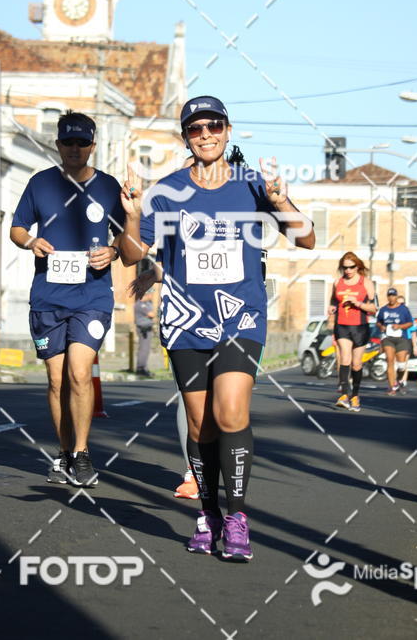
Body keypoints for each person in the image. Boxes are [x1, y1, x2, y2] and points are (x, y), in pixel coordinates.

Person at [119, 95, 315, 561]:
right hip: (185, 320)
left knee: (231, 415)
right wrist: (130, 214)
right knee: (201, 425)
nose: (205, 135)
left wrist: (280, 199)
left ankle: (238, 517)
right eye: (195, 129)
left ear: (228, 131)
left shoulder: (253, 186)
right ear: (185, 136)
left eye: (214, 126)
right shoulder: (164, 192)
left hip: (240, 317)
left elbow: (306, 237)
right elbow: (130, 255)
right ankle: (207, 516)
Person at [10, 111, 124, 487]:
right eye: (68, 142)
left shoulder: (109, 187)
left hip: (91, 295)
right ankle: (63, 452)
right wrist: (30, 241)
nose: (75, 149)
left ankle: (83, 453)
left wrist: (113, 250)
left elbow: (132, 236)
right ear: (58, 145)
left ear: (92, 146)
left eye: (83, 143)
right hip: (48, 296)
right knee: (56, 379)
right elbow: (17, 228)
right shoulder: (40, 183)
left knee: (79, 374)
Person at [128, 265, 199, 500]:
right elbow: (164, 255)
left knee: (226, 400)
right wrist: (151, 273)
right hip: (183, 317)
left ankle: (223, 469)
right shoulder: (173, 228)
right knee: (186, 393)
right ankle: (193, 472)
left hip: (234, 312)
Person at [328, 252, 376, 411]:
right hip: (342, 325)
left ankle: (355, 395)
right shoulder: (337, 283)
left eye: (351, 267)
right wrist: (332, 307)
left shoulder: (366, 283)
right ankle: (344, 394)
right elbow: (333, 300)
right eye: (345, 267)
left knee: (356, 363)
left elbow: (374, 308)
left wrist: (358, 303)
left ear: (358, 266)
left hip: (360, 327)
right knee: (344, 358)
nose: (348, 270)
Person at [376, 289, 414, 395]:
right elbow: (378, 322)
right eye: (389, 296)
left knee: (401, 365)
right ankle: (392, 387)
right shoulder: (384, 310)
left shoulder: (403, 309)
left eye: (393, 296)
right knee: (390, 361)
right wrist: (381, 327)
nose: (391, 298)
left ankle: (399, 380)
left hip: (402, 338)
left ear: (396, 297)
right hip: (388, 338)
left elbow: (410, 323)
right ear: (387, 297)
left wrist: (400, 326)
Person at [134, 290, 155, 378]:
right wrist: (150, 315)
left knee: (146, 349)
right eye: (151, 294)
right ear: (147, 294)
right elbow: (152, 314)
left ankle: (144, 367)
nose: (152, 296)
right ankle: (140, 368)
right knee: (143, 349)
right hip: (143, 329)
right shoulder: (140, 304)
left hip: (148, 328)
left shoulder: (148, 303)